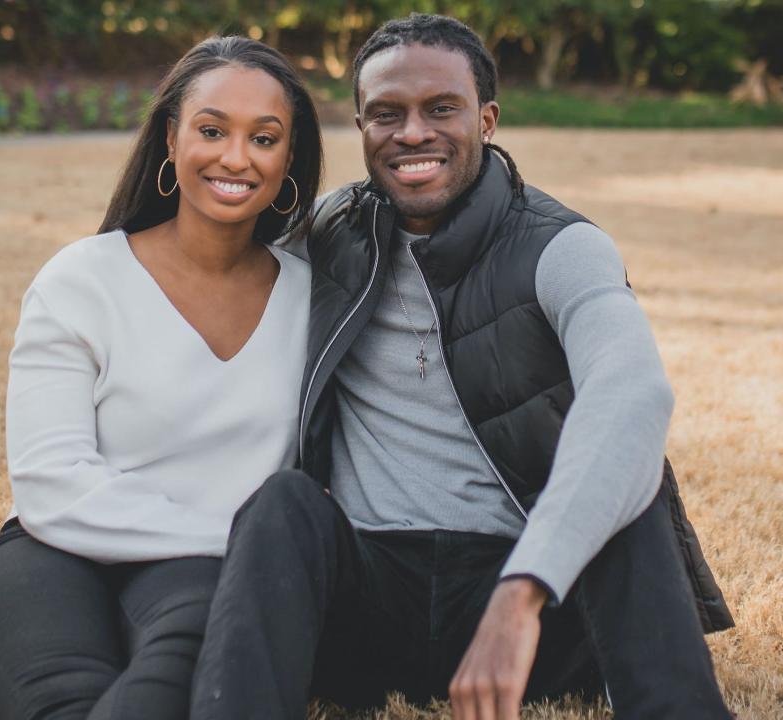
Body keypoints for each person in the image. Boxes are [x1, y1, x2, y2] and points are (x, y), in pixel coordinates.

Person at [190, 14, 734, 720]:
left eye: (440, 109)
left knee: (630, 479)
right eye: (386, 114)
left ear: (488, 118)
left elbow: (633, 392)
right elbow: (207, 272)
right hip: (368, 606)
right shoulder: (328, 232)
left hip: (529, 610)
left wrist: (525, 588)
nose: (412, 133)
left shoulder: (560, 247)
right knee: (280, 505)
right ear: (360, 125)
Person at [0, 36, 322, 720]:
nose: (236, 158)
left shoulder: (316, 298)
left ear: (289, 157)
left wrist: (249, 563)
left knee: (181, 675)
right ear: (171, 138)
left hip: (201, 579)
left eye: (264, 138)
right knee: (59, 702)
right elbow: (49, 480)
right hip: (52, 553)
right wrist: (241, 545)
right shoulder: (82, 279)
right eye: (212, 130)